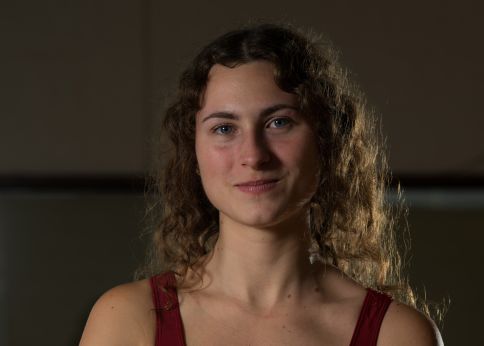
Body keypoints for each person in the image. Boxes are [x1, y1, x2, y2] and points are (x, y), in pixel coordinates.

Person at [80, 23, 443, 345]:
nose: (253, 155)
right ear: (194, 153)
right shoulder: (127, 319)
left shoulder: (396, 335)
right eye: (224, 128)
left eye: (279, 123)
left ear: (327, 141)